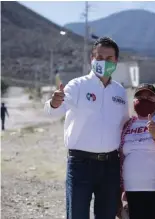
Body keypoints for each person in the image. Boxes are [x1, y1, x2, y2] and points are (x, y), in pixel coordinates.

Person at [44, 37, 129, 219]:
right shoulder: (78, 86)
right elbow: (52, 113)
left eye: (108, 58)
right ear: (92, 58)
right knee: (77, 215)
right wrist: (54, 103)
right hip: (81, 164)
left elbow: (124, 127)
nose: (103, 62)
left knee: (106, 215)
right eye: (99, 57)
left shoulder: (120, 92)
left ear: (116, 61)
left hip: (110, 165)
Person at [119, 83, 155, 219]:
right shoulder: (128, 124)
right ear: (134, 100)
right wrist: (121, 188)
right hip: (133, 189)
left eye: (149, 96)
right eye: (140, 96)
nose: (144, 99)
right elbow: (122, 156)